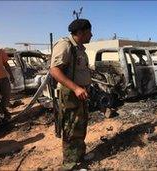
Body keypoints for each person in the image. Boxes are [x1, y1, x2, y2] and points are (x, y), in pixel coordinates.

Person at [49, 18, 93, 170]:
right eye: (89, 32)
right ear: (80, 33)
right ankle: (69, 165)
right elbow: (54, 70)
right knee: (71, 129)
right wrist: (75, 88)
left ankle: (79, 155)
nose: (91, 35)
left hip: (80, 93)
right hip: (71, 93)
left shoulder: (79, 48)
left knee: (80, 125)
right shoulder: (65, 45)